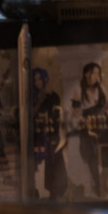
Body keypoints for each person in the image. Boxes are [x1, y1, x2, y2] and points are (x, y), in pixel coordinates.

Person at [69, 61, 108, 198]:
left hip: (103, 125)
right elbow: (76, 112)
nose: (95, 76)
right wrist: (84, 121)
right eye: (92, 72)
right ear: (86, 73)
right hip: (88, 126)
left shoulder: (102, 89)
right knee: (92, 157)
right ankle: (98, 185)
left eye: (97, 73)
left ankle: (103, 182)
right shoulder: (78, 89)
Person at [29, 67, 67, 200]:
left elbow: (56, 113)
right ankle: (33, 191)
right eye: (35, 80)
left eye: (40, 79)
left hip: (50, 134)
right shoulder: (31, 97)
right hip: (37, 134)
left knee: (55, 160)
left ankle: (54, 191)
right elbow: (30, 115)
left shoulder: (53, 96)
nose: (37, 82)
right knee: (33, 164)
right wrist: (39, 100)